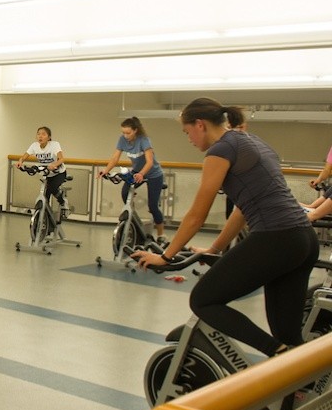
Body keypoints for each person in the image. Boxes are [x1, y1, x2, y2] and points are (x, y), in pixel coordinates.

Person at [134, 98, 318, 358]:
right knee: (287, 333)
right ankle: (296, 383)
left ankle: (275, 353)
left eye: (187, 132)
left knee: (203, 300)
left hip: (276, 237)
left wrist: (165, 257)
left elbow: (197, 214)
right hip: (303, 240)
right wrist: (215, 248)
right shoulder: (252, 141)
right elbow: (242, 209)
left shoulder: (220, 150)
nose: (189, 139)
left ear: (200, 125)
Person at [99, 116, 166, 241]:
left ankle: (161, 234)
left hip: (153, 174)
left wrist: (141, 174)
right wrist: (105, 171)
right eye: (123, 132)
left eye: (128, 133)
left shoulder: (144, 140)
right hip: (136, 172)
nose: (125, 135)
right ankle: (134, 221)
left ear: (135, 130)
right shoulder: (122, 140)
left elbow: (150, 161)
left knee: (153, 206)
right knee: (125, 194)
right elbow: (115, 158)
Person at [16, 126, 68, 216]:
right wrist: (20, 162)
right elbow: (24, 156)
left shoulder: (54, 145)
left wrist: (54, 164)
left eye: (43, 134)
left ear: (49, 137)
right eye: (38, 134)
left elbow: (61, 159)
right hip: (47, 173)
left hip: (58, 172)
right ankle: (45, 218)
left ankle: (62, 202)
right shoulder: (34, 146)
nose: (40, 136)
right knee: (45, 195)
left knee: (51, 188)